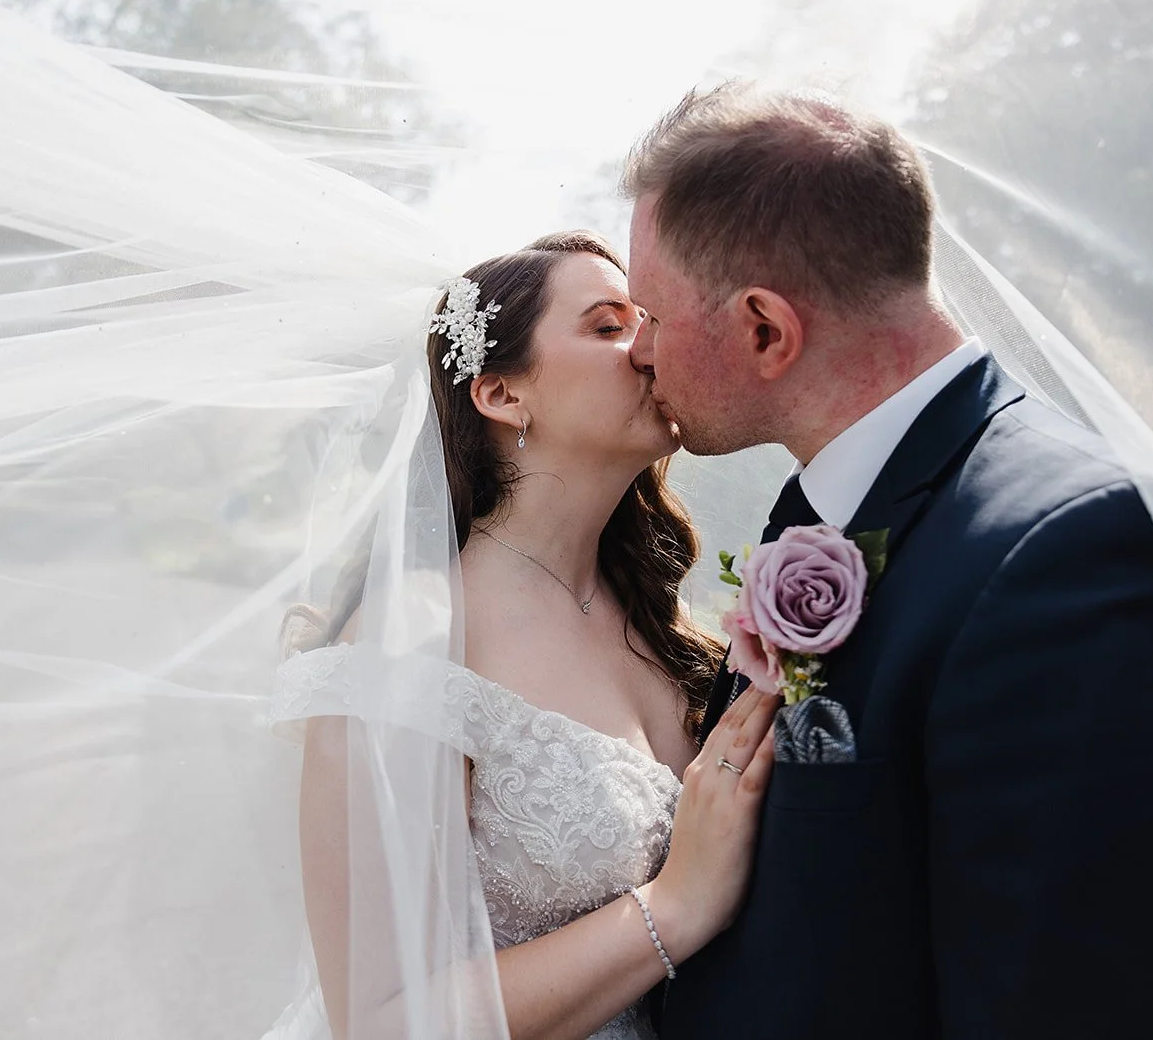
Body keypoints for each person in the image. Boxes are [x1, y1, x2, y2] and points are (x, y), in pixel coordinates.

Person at [621, 81, 1153, 1039]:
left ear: (765, 328)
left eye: (651, 314)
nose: (638, 348)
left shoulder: (1076, 552)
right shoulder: (820, 510)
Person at [275, 232, 777, 1040]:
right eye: (609, 326)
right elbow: (383, 1022)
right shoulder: (408, 643)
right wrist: (673, 908)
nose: (649, 348)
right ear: (503, 394)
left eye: (648, 321)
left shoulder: (666, 628)